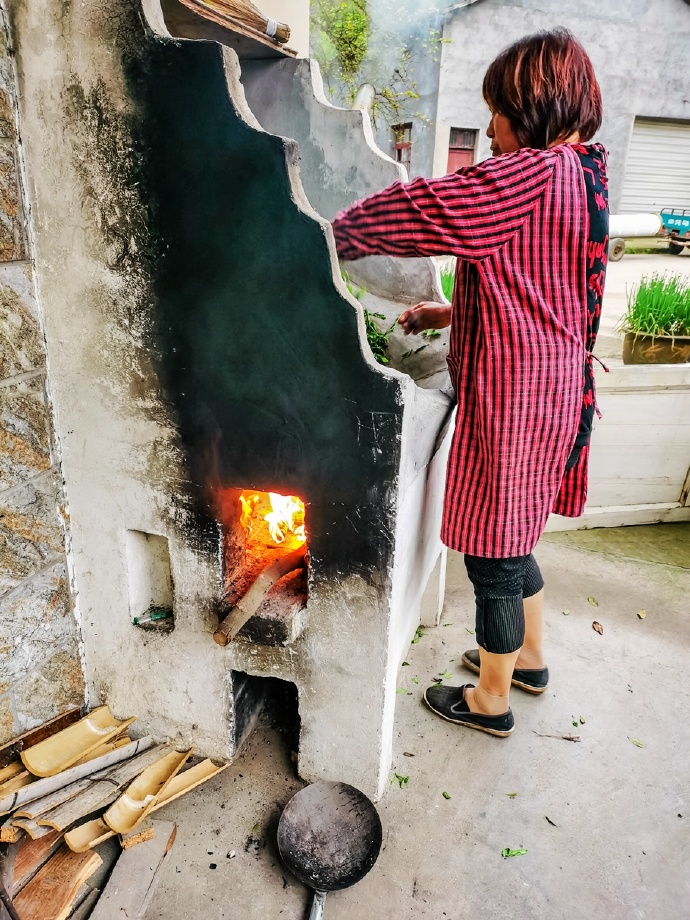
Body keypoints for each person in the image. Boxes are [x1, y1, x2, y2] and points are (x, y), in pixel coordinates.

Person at [331, 29, 609, 737]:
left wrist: (333, 231)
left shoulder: (532, 175)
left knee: (493, 553)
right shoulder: (584, 173)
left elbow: (433, 209)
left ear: (534, 105)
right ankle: (531, 660)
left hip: (517, 397)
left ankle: (490, 699)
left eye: (498, 110)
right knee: (518, 539)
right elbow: (545, 283)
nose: (489, 128)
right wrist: (456, 309)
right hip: (554, 389)